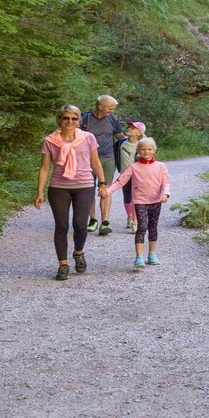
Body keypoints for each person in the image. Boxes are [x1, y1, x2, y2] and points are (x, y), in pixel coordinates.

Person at [35, 105, 106, 280]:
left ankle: (78, 252)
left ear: (79, 121)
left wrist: (102, 183)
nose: (70, 122)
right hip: (59, 187)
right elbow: (45, 168)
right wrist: (40, 192)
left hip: (84, 185)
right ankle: (63, 265)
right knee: (61, 226)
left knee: (80, 225)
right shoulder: (50, 141)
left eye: (74, 119)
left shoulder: (88, 138)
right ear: (59, 120)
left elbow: (95, 162)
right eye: (66, 118)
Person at [104, 137, 172, 269]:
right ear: (138, 151)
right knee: (142, 227)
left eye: (149, 149)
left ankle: (152, 254)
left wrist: (165, 194)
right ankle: (139, 256)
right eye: (143, 149)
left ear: (154, 150)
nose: (146, 151)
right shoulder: (133, 167)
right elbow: (120, 181)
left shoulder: (161, 166)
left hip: (156, 201)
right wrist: (107, 192)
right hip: (140, 201)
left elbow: (166, 183)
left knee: (153, 227)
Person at [80, 95, 126, 234]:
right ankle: (93, 220)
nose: (112, 110)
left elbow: (120, 137)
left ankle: (105, 222)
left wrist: (138, 144)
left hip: (108, 159)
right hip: (87, 159)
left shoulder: (113, 119)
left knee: (106, 188)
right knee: (88, 189)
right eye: (110, 108)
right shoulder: (85, 119)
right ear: (100, 107)